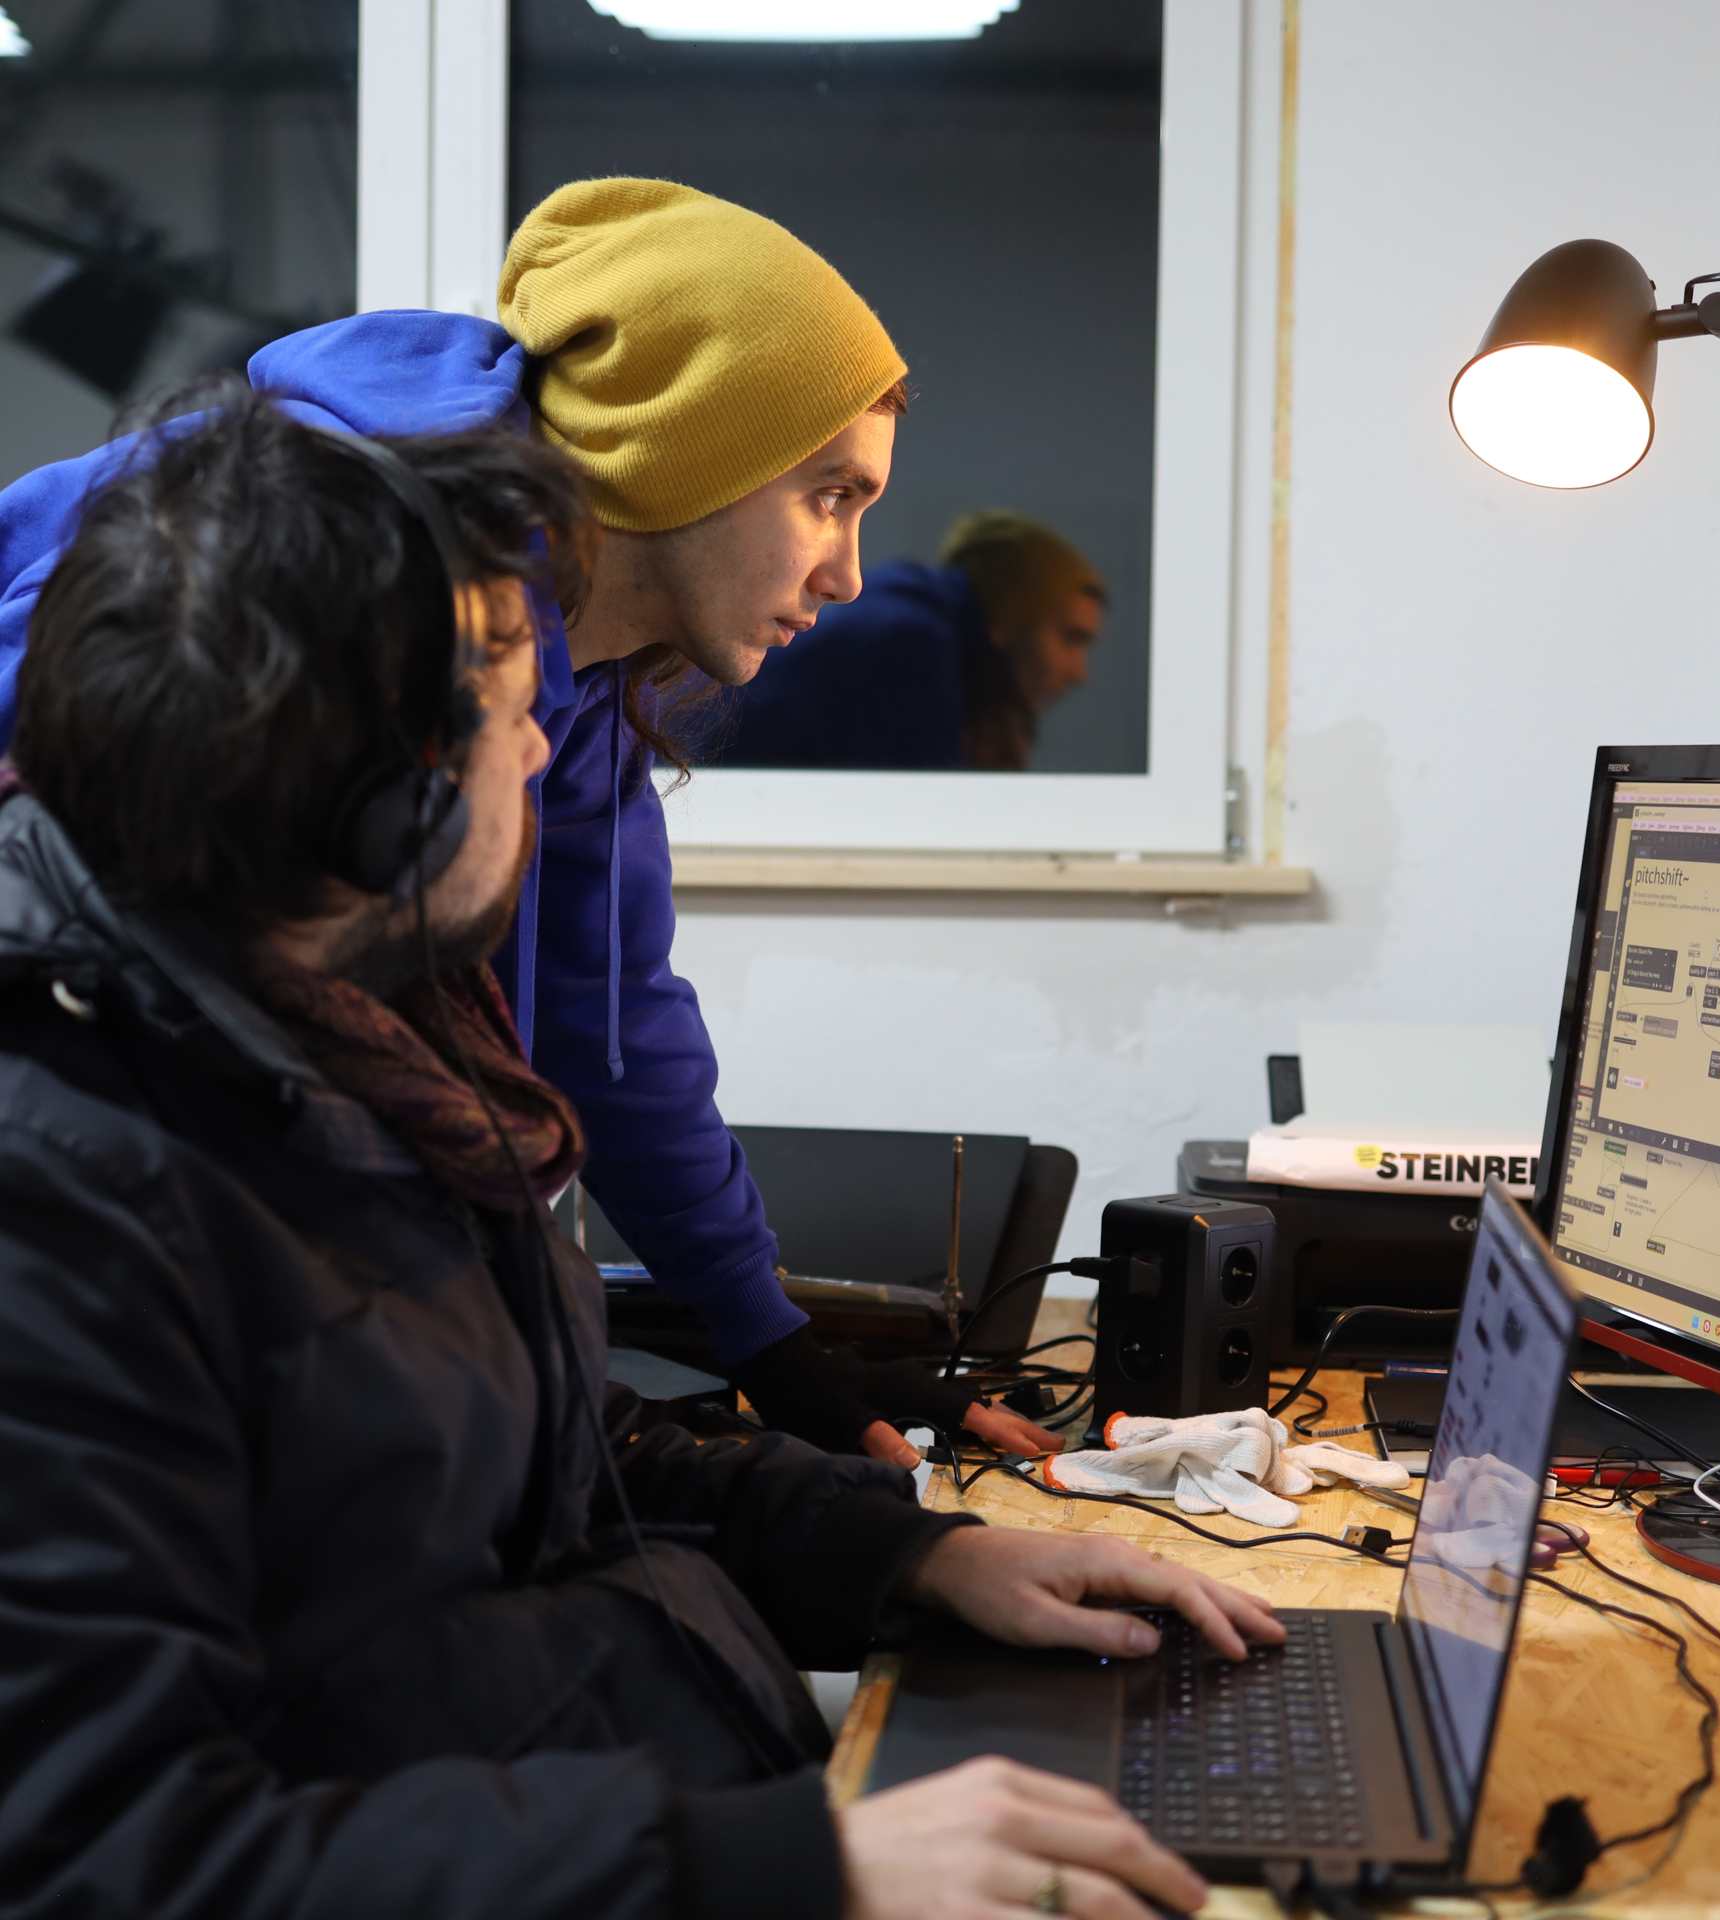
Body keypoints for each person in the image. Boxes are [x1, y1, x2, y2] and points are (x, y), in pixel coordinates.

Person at [0, 394, 1287, 1920]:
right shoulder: (63, 1199)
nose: (545, 741)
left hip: (640, 1780)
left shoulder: (362, 1046)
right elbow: (104, 1864)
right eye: (509, 698)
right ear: (380, 792)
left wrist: (916, 1562)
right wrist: (793, 1871)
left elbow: (545, 1452)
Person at [0, 177, 1044, 1469]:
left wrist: (772, 1345)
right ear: (684, 449)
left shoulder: (583, 683)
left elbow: (615, 1027)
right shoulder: (320, 586)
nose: (847, 574)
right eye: (828, 494)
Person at [714, 509, 1108, 772]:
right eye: (1071, 638)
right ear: (1012, 614)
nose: (1079, 673)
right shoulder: (909, 645)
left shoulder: (914, 617)